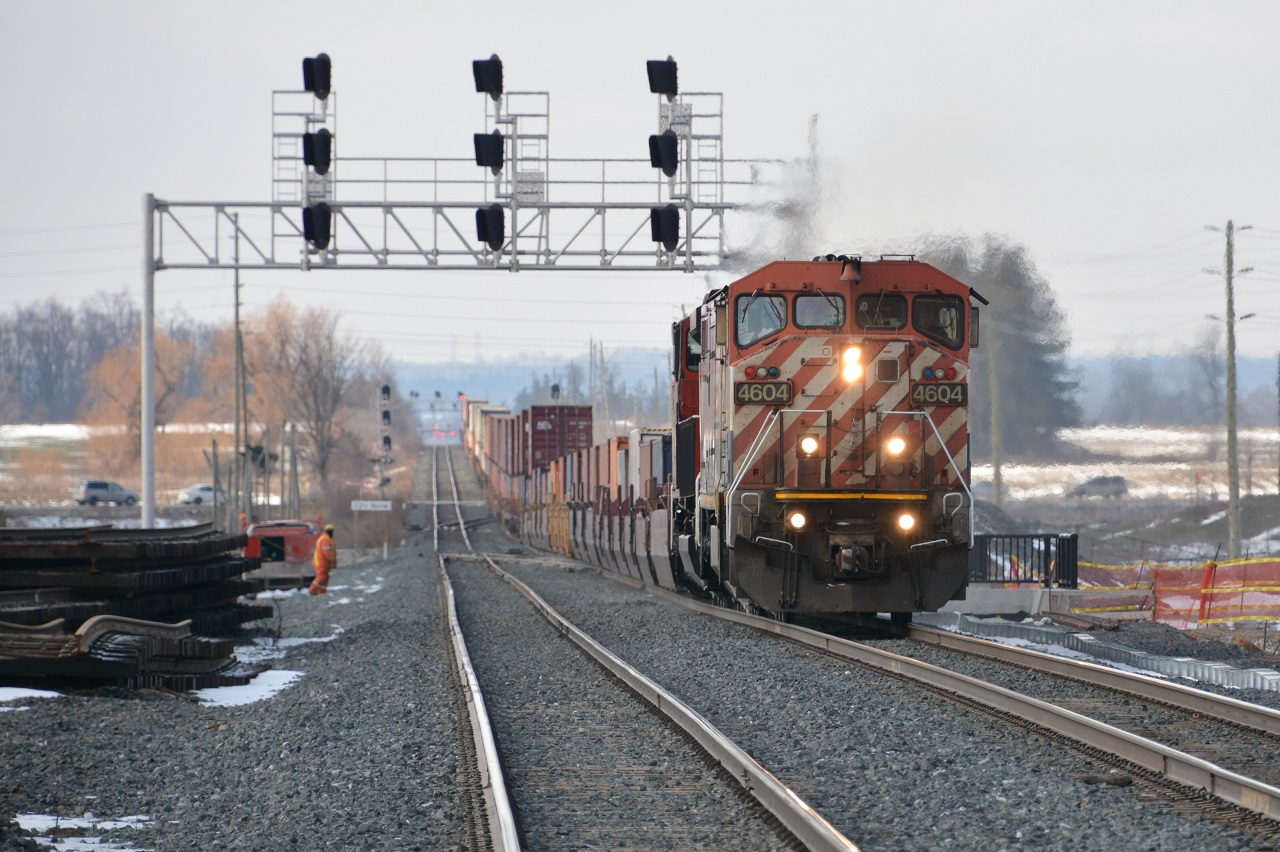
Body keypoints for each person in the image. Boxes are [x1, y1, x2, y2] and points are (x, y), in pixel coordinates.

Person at [310, 523, 336, 595]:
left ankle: (322, 590)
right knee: (322, 576)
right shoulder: (325, 540)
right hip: (322, 563)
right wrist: (332, 559)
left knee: (325, 577)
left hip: (323, 562)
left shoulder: (324, 538)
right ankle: (313, 589)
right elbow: (327, 552)